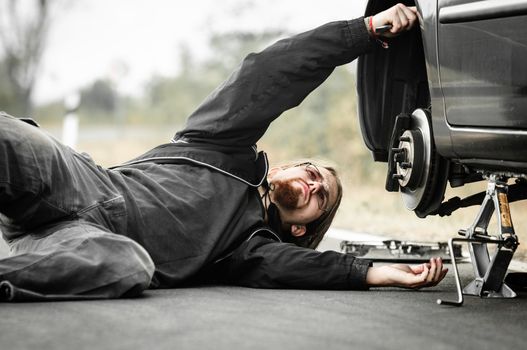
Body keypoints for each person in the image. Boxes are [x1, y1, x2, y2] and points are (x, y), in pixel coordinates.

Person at [0, 3, 447, 302]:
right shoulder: (223, 146)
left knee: (127, 267)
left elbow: (310, 269)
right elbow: (268, 74)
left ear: (301, 229)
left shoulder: (249, 250)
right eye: (312, 172)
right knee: (16, 140)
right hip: (82, 184)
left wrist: (377, 273)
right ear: (285, 166)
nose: (311, 183)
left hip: (82, 245)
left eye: (321, 196)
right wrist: (363, 32)